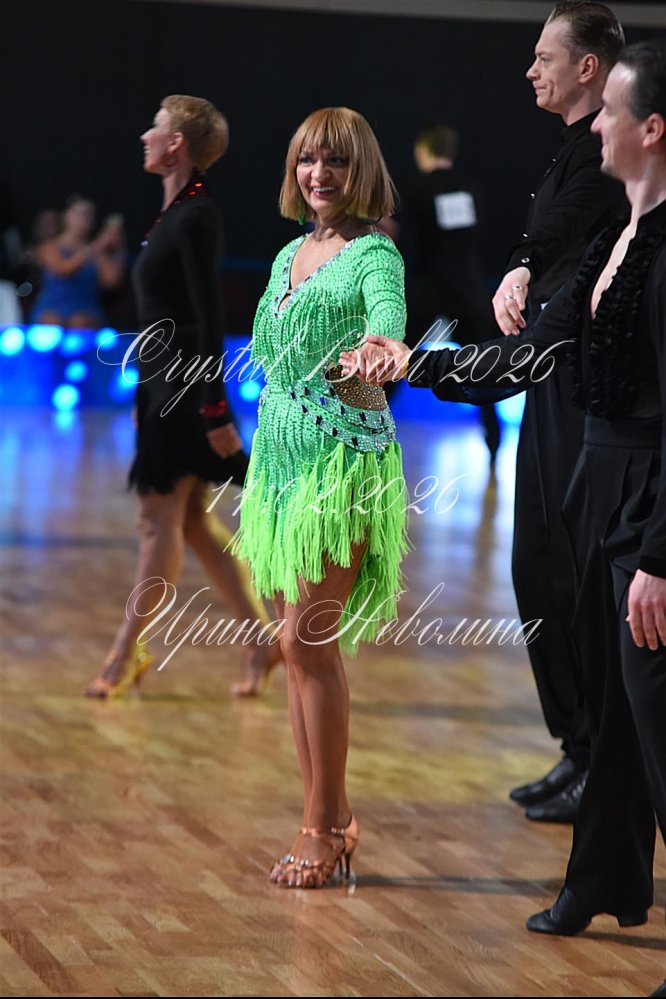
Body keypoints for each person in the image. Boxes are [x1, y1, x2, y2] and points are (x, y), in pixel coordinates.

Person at [341, 40, 666, 994]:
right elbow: (527, 358)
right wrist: (416, 364)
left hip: (650, 507)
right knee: (614, 711)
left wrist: (659, 552)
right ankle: (602, 878)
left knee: (655, 723)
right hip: (601, 490)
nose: (594, 131)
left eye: (611, 114)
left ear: (652, 130)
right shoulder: (615, 244)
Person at [229, 106, 409, 888]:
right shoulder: (289, 252)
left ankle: (321, 827)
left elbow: (387, 318)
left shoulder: (375, 253)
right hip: (277, 465)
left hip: (341, 466)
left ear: (360, 169)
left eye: (335, 161)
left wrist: (381, 346)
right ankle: (331, 816)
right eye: (308, 159)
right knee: (297, 645)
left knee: (308, 643)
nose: (319, 174)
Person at [84, 94, 280, 699]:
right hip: (162, 388)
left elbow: (206, 315)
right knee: (191, 523)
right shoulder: (173, 214)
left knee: (157, 521)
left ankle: (125, 653)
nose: (145, 135)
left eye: (157, 127)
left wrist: (213, 407)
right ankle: (262, 639)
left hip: (183, 392)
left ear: (177, 145)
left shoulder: (196, 216)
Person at [493, 1, 627, 824]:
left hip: (580, 383)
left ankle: (598, 756)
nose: (531, 70)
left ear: (588, 67)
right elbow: (547, 234)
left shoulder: (604, 158)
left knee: (573, 570)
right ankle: (577, 744)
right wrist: (519, 263)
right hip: (548, 375)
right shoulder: (571, 153)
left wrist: (523, 263)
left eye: (545, 57)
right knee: (536, 562)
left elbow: (569, 229)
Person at [395, 123, 501, 463]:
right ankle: (494, 443)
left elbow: (410, 241)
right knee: (481, 370)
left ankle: (365, 432)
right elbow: (473, 236)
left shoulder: (417, 189)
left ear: (422, 152)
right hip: (467, 291)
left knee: (395, 362)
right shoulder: (469, 189)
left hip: (427, 290)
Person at [28, 195, 125, 328]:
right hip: (52, 307)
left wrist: (119, 248)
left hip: (85, 308)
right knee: (52, 321)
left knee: (80, 321)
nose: (84, 219)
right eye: (79, 214)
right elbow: (63, 270)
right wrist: (95, 247)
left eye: (88, 215)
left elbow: (111, 282)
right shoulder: (49, 246)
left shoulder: (97, 250)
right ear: (66, 216)